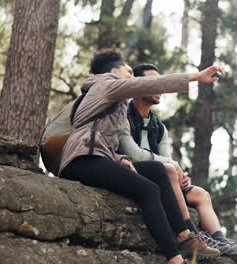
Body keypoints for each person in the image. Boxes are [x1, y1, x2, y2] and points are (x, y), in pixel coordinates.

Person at [59, 49, 225, 264]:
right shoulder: (106, 84)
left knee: (158, 170)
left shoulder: (113, 100)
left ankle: (185, 237)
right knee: (148, 189)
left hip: (96, 157)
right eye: (129, 71)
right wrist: (196, 77)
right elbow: (150, 84)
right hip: (82, 160)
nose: (132, 76)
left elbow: (104, 142)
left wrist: (121, 159)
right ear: (113, 70)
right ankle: (175, 259)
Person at [118, 63, 237, 264]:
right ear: (138, 86)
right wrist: (173, 167)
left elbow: (166, 157)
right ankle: (191, 235)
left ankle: (221, 240)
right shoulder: (124, 116)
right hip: (134, 174)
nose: (160, 88)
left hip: (163, 178)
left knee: (200, 194)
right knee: (168, 169)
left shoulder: (159, 126)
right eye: (154, 83)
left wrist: (180, 175)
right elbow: (134, 154)